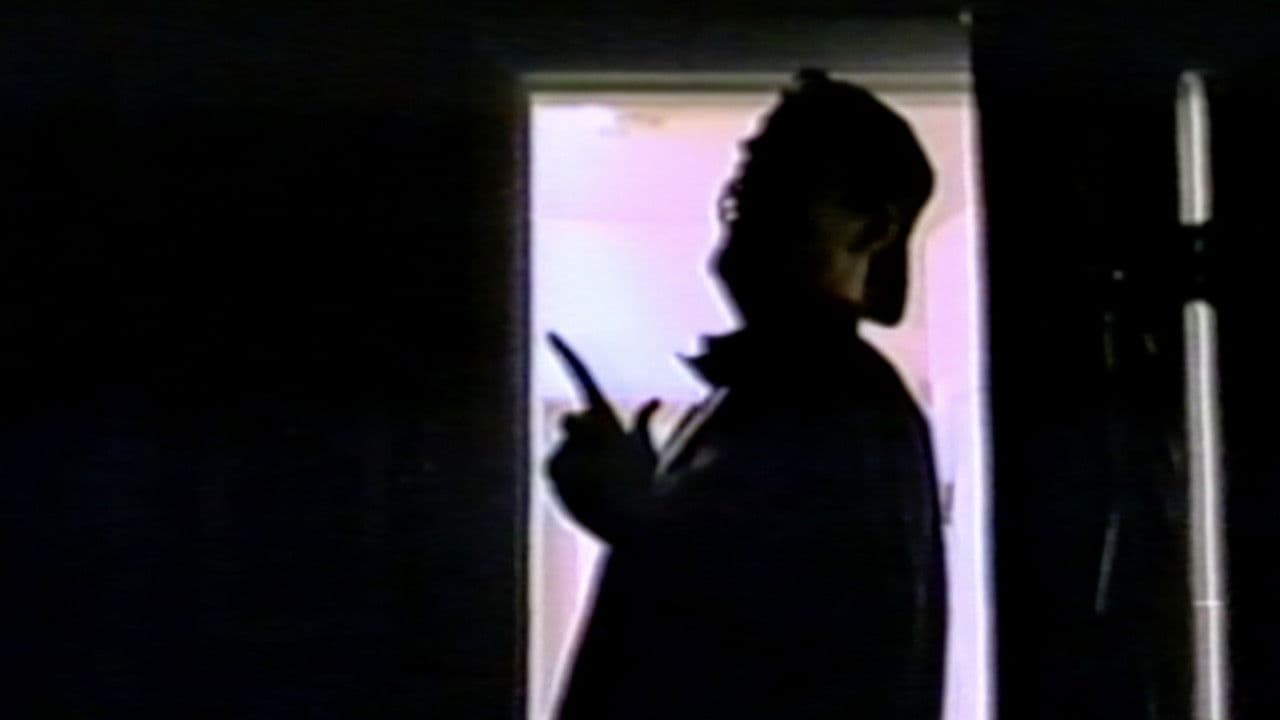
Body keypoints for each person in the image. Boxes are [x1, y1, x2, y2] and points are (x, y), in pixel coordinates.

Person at [545, 68, 947, 719]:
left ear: (871, 229)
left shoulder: (844, 406)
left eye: (782, 181)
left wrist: (631, 517)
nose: (743, 202)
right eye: (747, 178)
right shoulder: (768, 392)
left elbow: (791, 647)